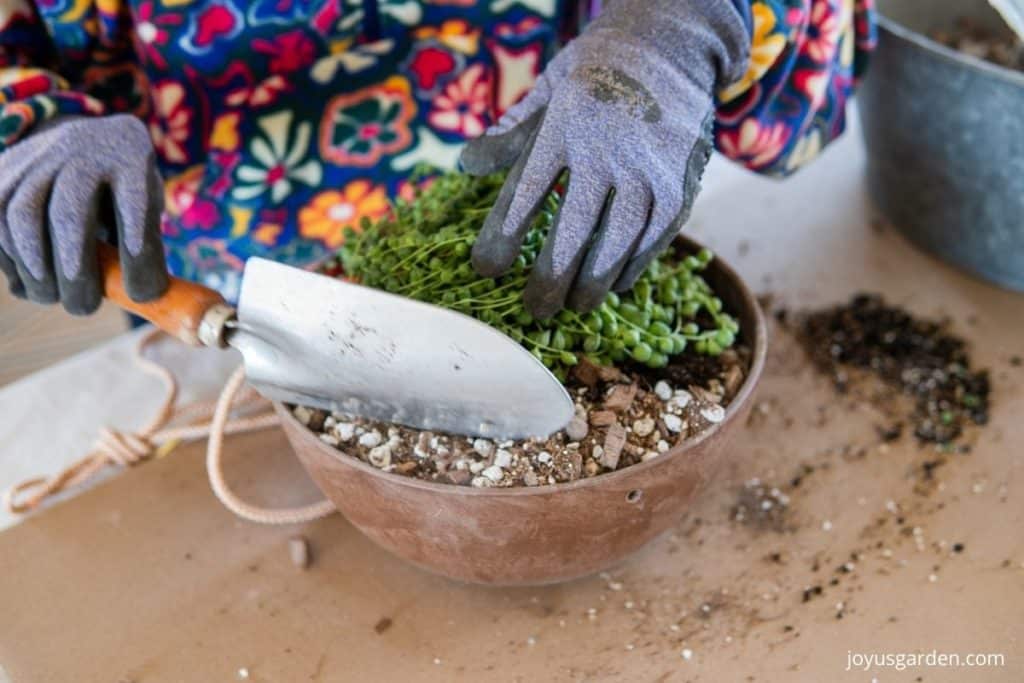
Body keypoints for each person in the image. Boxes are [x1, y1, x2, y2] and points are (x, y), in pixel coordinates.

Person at [0, 0, 875, 320]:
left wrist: (684, 26)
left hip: (565, 214)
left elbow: (815, 92)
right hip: (217, 299)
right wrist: (25, 125)